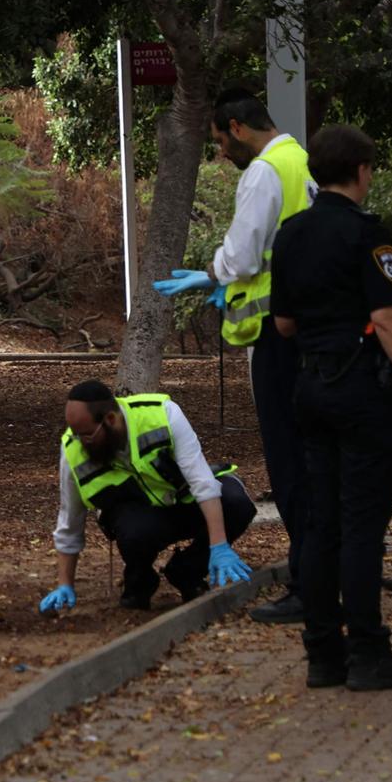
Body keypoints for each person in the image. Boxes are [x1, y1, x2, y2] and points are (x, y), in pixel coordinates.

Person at [271, 124, 392, 691]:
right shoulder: (368, 233)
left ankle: (323, 652)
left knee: (321, 523)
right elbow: (388, 317)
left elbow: (284, 323)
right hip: (362, 391)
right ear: (362, 171)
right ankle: (368, 651)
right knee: (363, 524)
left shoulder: (291, 234)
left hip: (311, 387)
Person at [154, 88, 313, 624]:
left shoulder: (265, 171)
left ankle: (308, 584)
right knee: (315, 457)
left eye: (220, 140)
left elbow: (245, 254)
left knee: (290, 462)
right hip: (311, 332)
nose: (221, 152)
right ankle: (322, 571)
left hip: (277, 335)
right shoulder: (300, 161)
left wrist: (215, 271)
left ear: (237, 127)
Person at [39, 380, 256, 615]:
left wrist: (219, 545)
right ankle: (139, 585)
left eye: (87, 435)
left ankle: (187, 571)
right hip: (143, 518)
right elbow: (70, 521)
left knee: (236, 504)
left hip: (186, 502)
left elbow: (202, 482)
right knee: (135, 533)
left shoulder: (163, 414)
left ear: (110, 420)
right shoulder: (73, 450)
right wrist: (65, 584)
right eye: (76, 434)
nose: (80, 442)